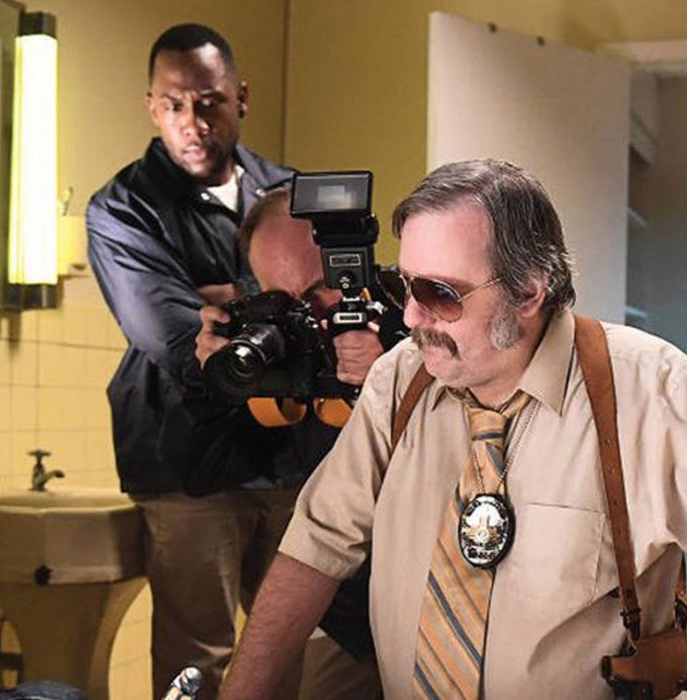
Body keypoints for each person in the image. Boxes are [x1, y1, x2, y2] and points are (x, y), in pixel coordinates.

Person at [216, 159, 687, 700]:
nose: (411, 318)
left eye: (440, 293)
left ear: (528, 291)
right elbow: (316, 547)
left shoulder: (653, 392)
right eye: (402, 287)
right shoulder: (399, 379)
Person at [86, 23, 384, 700]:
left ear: (240, 98)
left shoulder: (290, 190)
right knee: (198, 654)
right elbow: (173, 336)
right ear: (152, 106)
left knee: (296, 647)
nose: (193, 122)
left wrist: (242, 300)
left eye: (210, 101)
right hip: (187, 462)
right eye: (173, 104)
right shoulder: (122, 209)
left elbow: (344, 297)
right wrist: (275, 305)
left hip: (292, 453)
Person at [196, 186, 406, 699]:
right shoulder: (285, 344)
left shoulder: (420, 314)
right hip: (348, 616)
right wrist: (218, 378)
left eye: (319, 291)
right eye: (285, 300)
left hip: (445, 603)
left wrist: (393, 373)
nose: (308, 315)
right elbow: (210, 470)